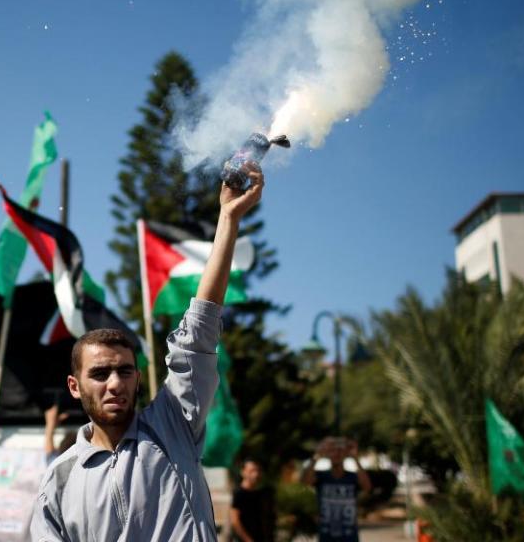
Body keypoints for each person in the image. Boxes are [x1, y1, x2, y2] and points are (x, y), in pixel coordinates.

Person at [30, 169, 265, 541]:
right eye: (100, 373)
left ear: (138, 377)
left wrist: (228, 219)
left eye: (125, 371)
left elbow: (199, 330)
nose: (115, 383)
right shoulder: (60, 477)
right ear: (74, 386)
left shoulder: (173, 425)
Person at [302, 437, 372, 542]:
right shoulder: (321, 476)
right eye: (332, 451)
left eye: (340, 451)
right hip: (326, 535)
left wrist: (355, 458)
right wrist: (317, 455)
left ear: (345, 454)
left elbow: (367, 487)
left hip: (349, 535)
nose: (336, 454)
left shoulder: (352, 477)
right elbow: (306, 482)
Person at [230, 458, 274, 542]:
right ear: (243, 472)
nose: (255, 474)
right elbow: (235, 521)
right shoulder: (239, 493)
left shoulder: (260, 493)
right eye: (251, 471)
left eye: (258, 470)